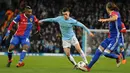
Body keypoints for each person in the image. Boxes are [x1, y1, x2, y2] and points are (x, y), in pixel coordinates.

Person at [84, 2, 123, 71]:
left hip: (115, 38)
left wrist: (105, 20)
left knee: (105, 53)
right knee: (99, 50)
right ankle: (88, 67)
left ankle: (118, 56)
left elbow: (115, 18)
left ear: (107, 8)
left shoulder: (114, 13)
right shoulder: (114, 13)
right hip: (110, 38)